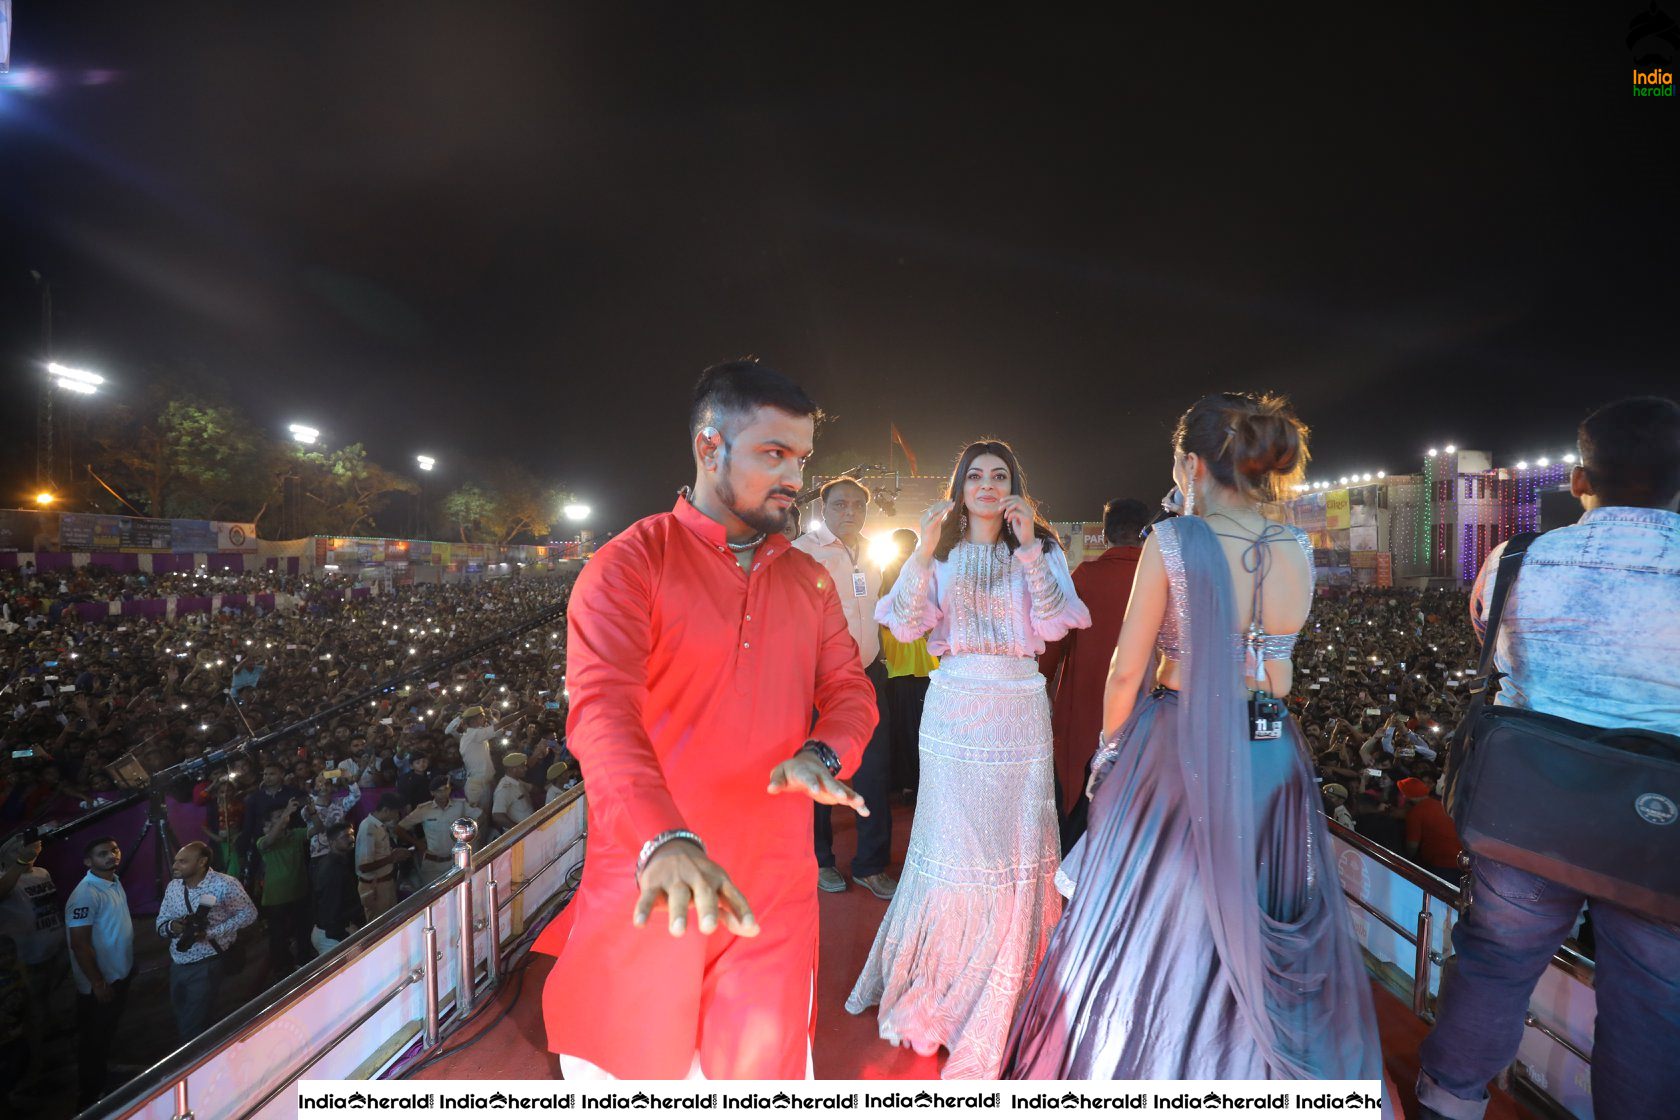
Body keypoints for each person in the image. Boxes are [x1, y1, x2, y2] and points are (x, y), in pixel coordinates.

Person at [1002, 392, 1386, 1092]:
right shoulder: (1295, 545)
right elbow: (1280, 666)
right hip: (1270, 752)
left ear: (1190, 462)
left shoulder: (1174, 541)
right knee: (1257, 900)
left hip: (1179, 747)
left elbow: (1125, 669)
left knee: (1170, 916)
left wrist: (1109, 754)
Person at [539, 359, 878, 1080]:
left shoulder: (810, 578)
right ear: (709, 446)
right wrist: (661, 835)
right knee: (638, 1070)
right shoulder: (631, 563)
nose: (794, 476)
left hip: (774, 898)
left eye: (802, 458)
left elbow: (851, 688)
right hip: (654, 879)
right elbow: (601, 710)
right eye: (773, 454)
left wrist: (824, 751)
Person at [1417, 396, 1680, 1120]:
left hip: (1529, 808)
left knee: (1494, 966)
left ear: (1575, 477)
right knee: (1653, 1007)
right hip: (1657, 826)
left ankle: (1447, 1101)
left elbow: (1491, 644)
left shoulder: (1520, 557)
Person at [848, 439, 1090, 1079]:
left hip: (1018, 708)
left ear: (1016, 484)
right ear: (958, 486)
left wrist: (1032, 545)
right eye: (975, 475)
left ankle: (1009, 986)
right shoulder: (943, 554)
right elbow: (903, 624)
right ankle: (940, 984)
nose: (986, 484)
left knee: (1014, 850)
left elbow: (1056, 623)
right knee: (953, 846)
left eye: (999, 474)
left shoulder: (1042, 551)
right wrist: (923, 550)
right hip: (953, 709)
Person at [793, 476, 896, 899]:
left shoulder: (873, 554)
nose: (850, 512)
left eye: (858, 505)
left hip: (867, 674)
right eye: (840, 505)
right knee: (821, 765)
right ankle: (820, 859)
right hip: (817, 680)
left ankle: (871, 865)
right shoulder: (801, 553)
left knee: (874, 771)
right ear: (824, 508)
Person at [1036, 497, 1151, 851]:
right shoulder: (1160, 579)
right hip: (1145, 712)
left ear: (1105, 533)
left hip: (1088, 710)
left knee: (1082, 807)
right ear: (1146, 534)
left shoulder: (1084, 576)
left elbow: (1051, 644)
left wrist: (1040, 685)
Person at [155, 841, 256, 1042]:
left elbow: (249, 913)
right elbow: (162, 919)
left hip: (207, 963)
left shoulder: (225, 884)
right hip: (178, 962)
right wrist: (172, 927)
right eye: (176, 861)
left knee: (193, 1025)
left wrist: (211, 933)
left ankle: (190, 1064)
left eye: (183, 861)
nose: (175, 866)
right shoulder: (174, 886)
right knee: (184, 1014)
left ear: (202, 862)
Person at [64, 836, 133, 1109]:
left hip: (120, 973)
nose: (112, 856)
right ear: (88, 861)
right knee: (93, 1039)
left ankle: (104, 1076)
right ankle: (90, 1099)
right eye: (102, 853)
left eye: (114, 850)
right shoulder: (86, 893)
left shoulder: (113, 880)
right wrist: (98, 982)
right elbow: (79, 944)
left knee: (106, 1032)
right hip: (100, 983)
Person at [878, 528, 938, 802]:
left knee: (907, 726)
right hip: (904, 662)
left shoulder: (921, 569)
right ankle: (909, 782)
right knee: (911, 726)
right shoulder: (893, 572)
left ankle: (907, 782)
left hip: (911, 662)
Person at [256, 799, 313, 976]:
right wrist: (287, 812)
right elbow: (271, 838)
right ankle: (281, 972)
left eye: (284, 815)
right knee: (279, 938)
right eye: (278, 817)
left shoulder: (295, 835)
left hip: (300, 893)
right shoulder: (263, 841)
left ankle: (304, 965)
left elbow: (317, 830)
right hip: (276, 899)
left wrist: (314, 812)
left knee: (303, 932)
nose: (284, 818)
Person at [398, 775, 471, 885]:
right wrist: (417, 843)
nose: (443, 793)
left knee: (458, 896)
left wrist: (469, 836)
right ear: (432, 793)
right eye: (439, 791)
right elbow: (399, 828)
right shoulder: (424, 810)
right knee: (435, 900)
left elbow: (480, 816)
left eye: (446, 789)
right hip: (432, 864)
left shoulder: (460, 805)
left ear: (450, 789)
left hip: (456, 861)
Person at [355, 793, 412, 921]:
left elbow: (379, 853)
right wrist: (392, 858)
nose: (397, 816)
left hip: (385, 883)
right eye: (396, 812)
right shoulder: (368, 828)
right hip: (375, 887)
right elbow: (364, 866)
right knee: (380, 927)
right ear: (386, 810)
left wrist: (393, 853)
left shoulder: (379, 826)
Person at [311, 822, 363, 954]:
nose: (351, 839)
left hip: (335, 932)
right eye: (345, 836)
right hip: (331, 936)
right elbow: (329, 909)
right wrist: (344, 935)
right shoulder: (333, 870)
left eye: (352, 834)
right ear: (332, 842)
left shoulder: (339, 863)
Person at [1398, 776, 1461, 884]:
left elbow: (1412, 846)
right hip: (1459, 861)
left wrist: (1408, 860)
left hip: (1440, 865)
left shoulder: (1416, 813)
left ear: (1407, 794)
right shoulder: (1440, 804)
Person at [491, 752, 535, 833]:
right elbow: (497, 816)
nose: (525, 769)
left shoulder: (517, 782)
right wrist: (519, 829)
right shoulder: (504, 789)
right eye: (522, 766)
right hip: (521, 836)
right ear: (512, 770)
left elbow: (533, 789)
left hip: (531, 829)